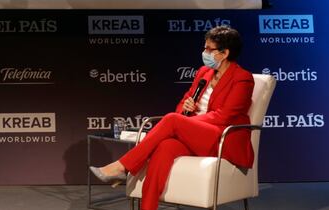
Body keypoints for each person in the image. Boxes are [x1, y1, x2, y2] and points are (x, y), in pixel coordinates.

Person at [89, 25, 255, 210]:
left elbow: (224, 116)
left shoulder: (242, 78)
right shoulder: (204, 72)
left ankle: (122, 166)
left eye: (209, 49)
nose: (204, 52)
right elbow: (182, 105)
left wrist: (184, 122)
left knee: (172, 120)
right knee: (165, 147)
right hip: (196, 135)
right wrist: (187, 108)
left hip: (223, 139)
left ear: (224, 53)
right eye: (204, 48)